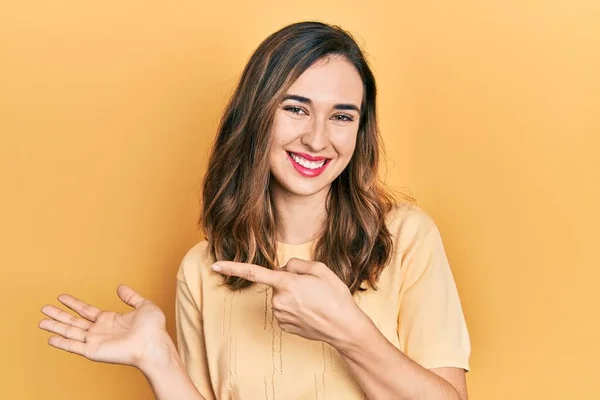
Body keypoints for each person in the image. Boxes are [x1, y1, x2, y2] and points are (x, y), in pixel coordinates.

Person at [38, 21, 471, 399]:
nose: (318, 140)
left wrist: (348, 330)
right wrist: (158, 359)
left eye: (342, 117)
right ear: (257, 115)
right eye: (296, 109)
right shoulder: (202, 270)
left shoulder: (406, 238)